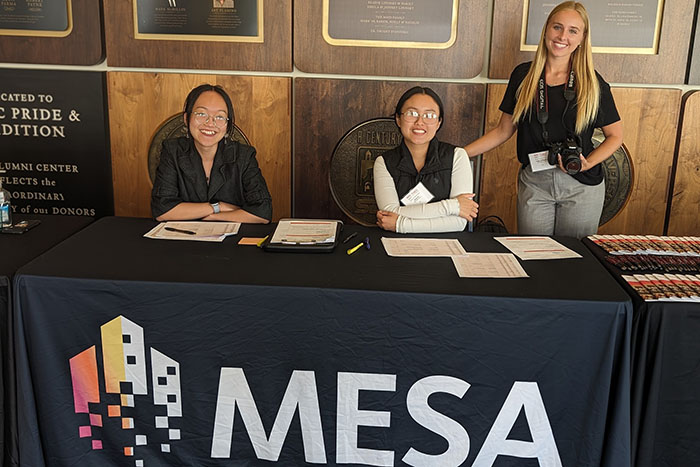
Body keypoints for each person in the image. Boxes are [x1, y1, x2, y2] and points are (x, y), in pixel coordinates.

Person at [465, 1, 622, 239]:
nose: (562, 36)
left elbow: (615, 136)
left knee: (573, 259)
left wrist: (588, 163)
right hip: (535, 183)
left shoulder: (592, 84)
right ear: (546, 30)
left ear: (582, 38)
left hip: (580, 185)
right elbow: (503, 131)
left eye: (572, 30)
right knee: (533, 257)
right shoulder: (523, 76)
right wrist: (459, 154)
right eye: (557, 27)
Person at [151, 84, 272, 223]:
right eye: (201, 114)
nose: (210, 123)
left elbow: (263, 213)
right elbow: (162, 211)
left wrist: (213, 216)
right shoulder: (172, 150)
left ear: (227, 125)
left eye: (220, 117)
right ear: (186, 118)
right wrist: (217, 207)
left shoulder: (244, 156)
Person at [373, 86, 478, 233]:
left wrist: (400, 224)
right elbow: (388, 213)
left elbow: (459, 223)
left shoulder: (457, 156)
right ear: (398, 119)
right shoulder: (384, 162)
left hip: (448, 246)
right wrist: (453, 206)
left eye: (429, 115)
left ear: (439, 122)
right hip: (398, 245)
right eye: (412, 113)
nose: (420, 122)